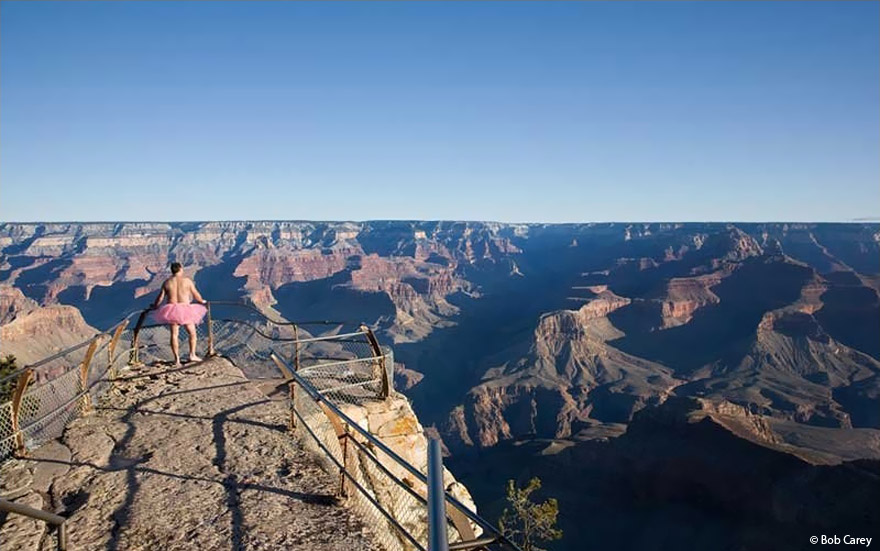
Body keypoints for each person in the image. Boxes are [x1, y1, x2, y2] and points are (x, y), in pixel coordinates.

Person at [150, 262, 208, 367]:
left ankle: (177, 360)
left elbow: (160, 298)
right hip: (185, 309)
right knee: (192, 333)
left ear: (172, 270)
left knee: (174, 335)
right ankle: (192, 355)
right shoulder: (187, 281)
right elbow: (196, 295)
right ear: (181, 269)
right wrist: (202, 301)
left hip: (171, 310)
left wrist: (155, 306)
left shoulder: (167, 282)